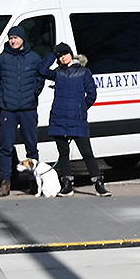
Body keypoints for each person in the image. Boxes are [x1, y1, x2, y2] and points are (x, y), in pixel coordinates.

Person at [0, 24, 46, 196]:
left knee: (31, 147)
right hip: (8, 110)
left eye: (16, 38)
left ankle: (34, 180)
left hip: (28, 108)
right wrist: (2, 98)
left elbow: (39, 78)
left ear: (22, 39)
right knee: (5, 147)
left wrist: (34, 94)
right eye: (11, 38)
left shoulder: (34, 58)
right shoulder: (2, 59)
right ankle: (5, 182)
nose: (13, 41)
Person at [45, 42, 108, 195]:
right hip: (59, 118)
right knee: (63, 154)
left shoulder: (84, 72)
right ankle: (67, 185)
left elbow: (92, 94)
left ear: (71, 54)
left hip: (76, 119)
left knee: (87, 152)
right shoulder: (57, 73)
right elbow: (42, 71)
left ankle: (98, 183)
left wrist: (81, 108)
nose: (62, 58)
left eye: (64, 54)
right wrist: (52, 55)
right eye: (59, 56)